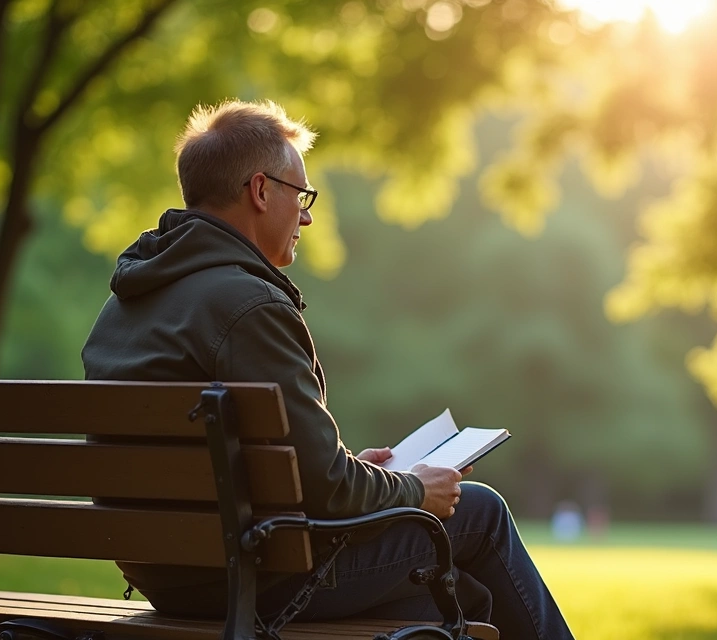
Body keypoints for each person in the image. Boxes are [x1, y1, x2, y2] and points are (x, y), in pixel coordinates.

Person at [81, 99, 574, 639]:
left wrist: (357, 472)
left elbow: (280, 476)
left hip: (167, 575)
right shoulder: (248, 306)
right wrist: (412, 489)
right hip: (255, 577)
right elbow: (329, 491)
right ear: (260, 191)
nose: (307, 216)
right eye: (302, 195)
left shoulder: (123, 306)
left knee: (455, 599)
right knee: (480, 511)